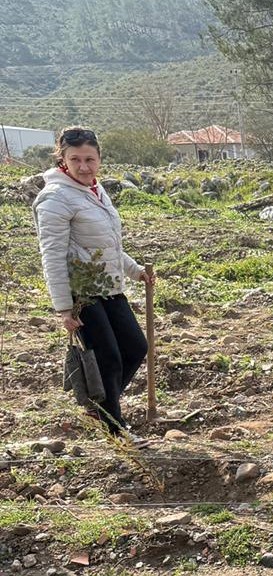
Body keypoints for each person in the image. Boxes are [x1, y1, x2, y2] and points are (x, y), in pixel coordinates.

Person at [33, 127, 153, 439]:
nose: (84, 166)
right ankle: (115, 428)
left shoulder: (94, 190)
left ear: (99, 158)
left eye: (90, 159)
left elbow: (107, 245)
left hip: (109, 287)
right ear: (62, 160)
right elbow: (52, 256)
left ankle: (99, 408)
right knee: (108, 358)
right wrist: (64, 308)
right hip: (82, 292)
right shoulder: (55, 198)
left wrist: (136, 271)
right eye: (75, 160)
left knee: (136, 347)